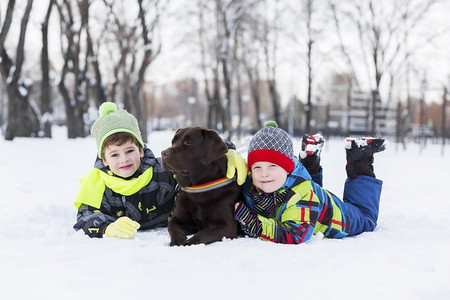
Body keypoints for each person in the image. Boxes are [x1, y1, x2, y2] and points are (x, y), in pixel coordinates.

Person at [73, 102, 247, 239]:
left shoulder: (160, 171)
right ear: (104, 159)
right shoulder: (97, 184)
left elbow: (198, 149)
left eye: (129, 151)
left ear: (140, 150)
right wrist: (107, 227)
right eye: (115, 155)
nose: (124, 159)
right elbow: (86, 216)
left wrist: (227, 151)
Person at [234, 121, 386, 244]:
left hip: (342, 218)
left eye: (272, 166)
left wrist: (254, 223)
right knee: (307, 192)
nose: (264, 173)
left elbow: (296, 234)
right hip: (313, 202)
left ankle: (360, 160)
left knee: (366, 220)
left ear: (287, 169)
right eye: (257, 167)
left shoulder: (301, 194)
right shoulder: (251, 183)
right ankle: (310, 161)